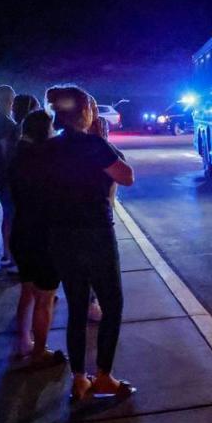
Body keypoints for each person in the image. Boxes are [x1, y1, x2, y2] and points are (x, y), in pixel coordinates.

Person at [44, 85, 136, 401]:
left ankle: (79, 379)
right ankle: (104, 376)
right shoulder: (94, 145)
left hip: (61, 236)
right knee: (112, 304)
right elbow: (126, 176)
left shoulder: (50, 147)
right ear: (85, 112)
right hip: (95, 234)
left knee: (77, 308)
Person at [8, 110, 68, 365]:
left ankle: (23, 342)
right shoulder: (47, 158)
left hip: (21, 230)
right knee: (46, 297)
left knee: (28, 291)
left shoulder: (17, 154)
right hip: (44, 235)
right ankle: (39, 352)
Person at [0, 84, 17, 267]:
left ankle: (9, 252)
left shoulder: (0, 119)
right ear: (9, 100)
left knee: (10, 213)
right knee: (11, 213)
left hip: (1, 172)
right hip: (6, 174)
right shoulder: (3, 122)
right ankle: (9, 254)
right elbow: (5, 149)